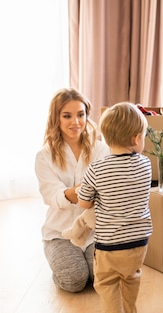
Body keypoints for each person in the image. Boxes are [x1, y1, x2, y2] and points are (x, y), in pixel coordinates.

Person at [77, 102, 152, 313]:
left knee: (106, 283)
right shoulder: (145, 165)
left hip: (110, 244)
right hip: (139, 242)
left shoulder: (96, 168)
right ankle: (129, 312)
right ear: (137, 138)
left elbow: (84, 203)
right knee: (131, 275)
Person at [35, 88, 110, 293]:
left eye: (80, 115)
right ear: (56, 118)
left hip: (95, 232)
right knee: (75, 281)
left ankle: (85, 264)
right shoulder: (44, 156)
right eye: (67, 116)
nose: (75, 122)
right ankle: (61, 264)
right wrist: (81, 191)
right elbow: (52, 195)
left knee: (101, 280)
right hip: (60, 233)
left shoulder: (101, 149)